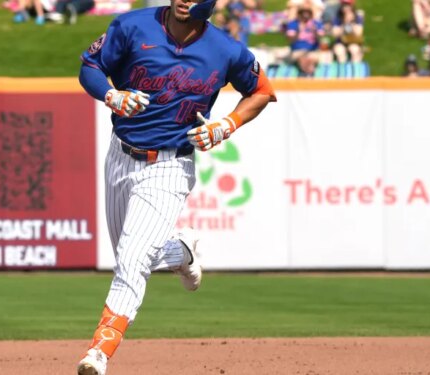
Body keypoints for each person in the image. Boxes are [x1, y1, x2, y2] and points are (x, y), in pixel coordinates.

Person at [76, 0, 276, 374]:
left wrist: (227, 124)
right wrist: (111, 95)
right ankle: (180, 250)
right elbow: (90, 66)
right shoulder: (133, 26)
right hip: (120, 155)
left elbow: (262, 90)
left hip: (170, 163)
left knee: (133, 261)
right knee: (129, 257)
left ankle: (99, 351)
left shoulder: (226, 49)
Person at [285, 3, 324, 77]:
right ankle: (306, 75)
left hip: (312, 50)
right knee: (302, 59)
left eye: (307, 12)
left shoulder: (316, 23)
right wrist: (299, 30)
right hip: (297, 50)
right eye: (303, 12)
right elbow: (290, 39)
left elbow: (321, 38)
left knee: (311, 59)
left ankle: (309, 75)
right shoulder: (294, 23)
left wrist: (315, 31)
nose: (305, 15)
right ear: (299, 13)